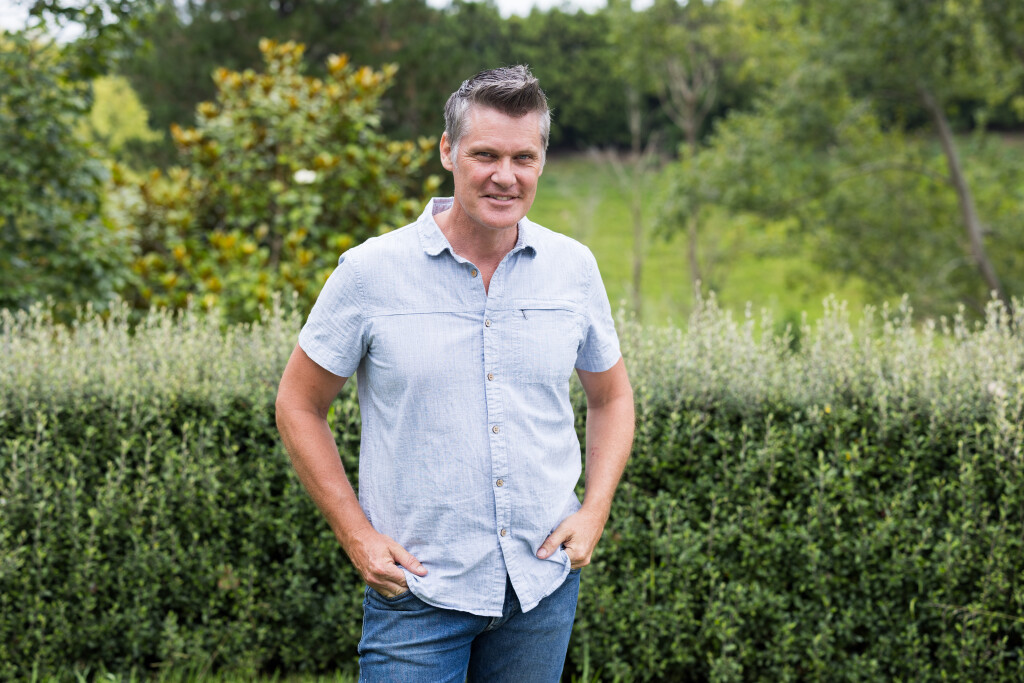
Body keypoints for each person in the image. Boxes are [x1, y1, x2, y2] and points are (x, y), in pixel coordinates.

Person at [275, 65, 634, 682]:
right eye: (485, 154)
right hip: (417, 596)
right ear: (448, 151)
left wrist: (595, 509)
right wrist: (357, 536)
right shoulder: (369, 273)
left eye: (523, 157)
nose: (505, 176)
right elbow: (298, 403)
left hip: (540, 591)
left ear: (542, 161)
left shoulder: (574, 269)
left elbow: (612, 396)